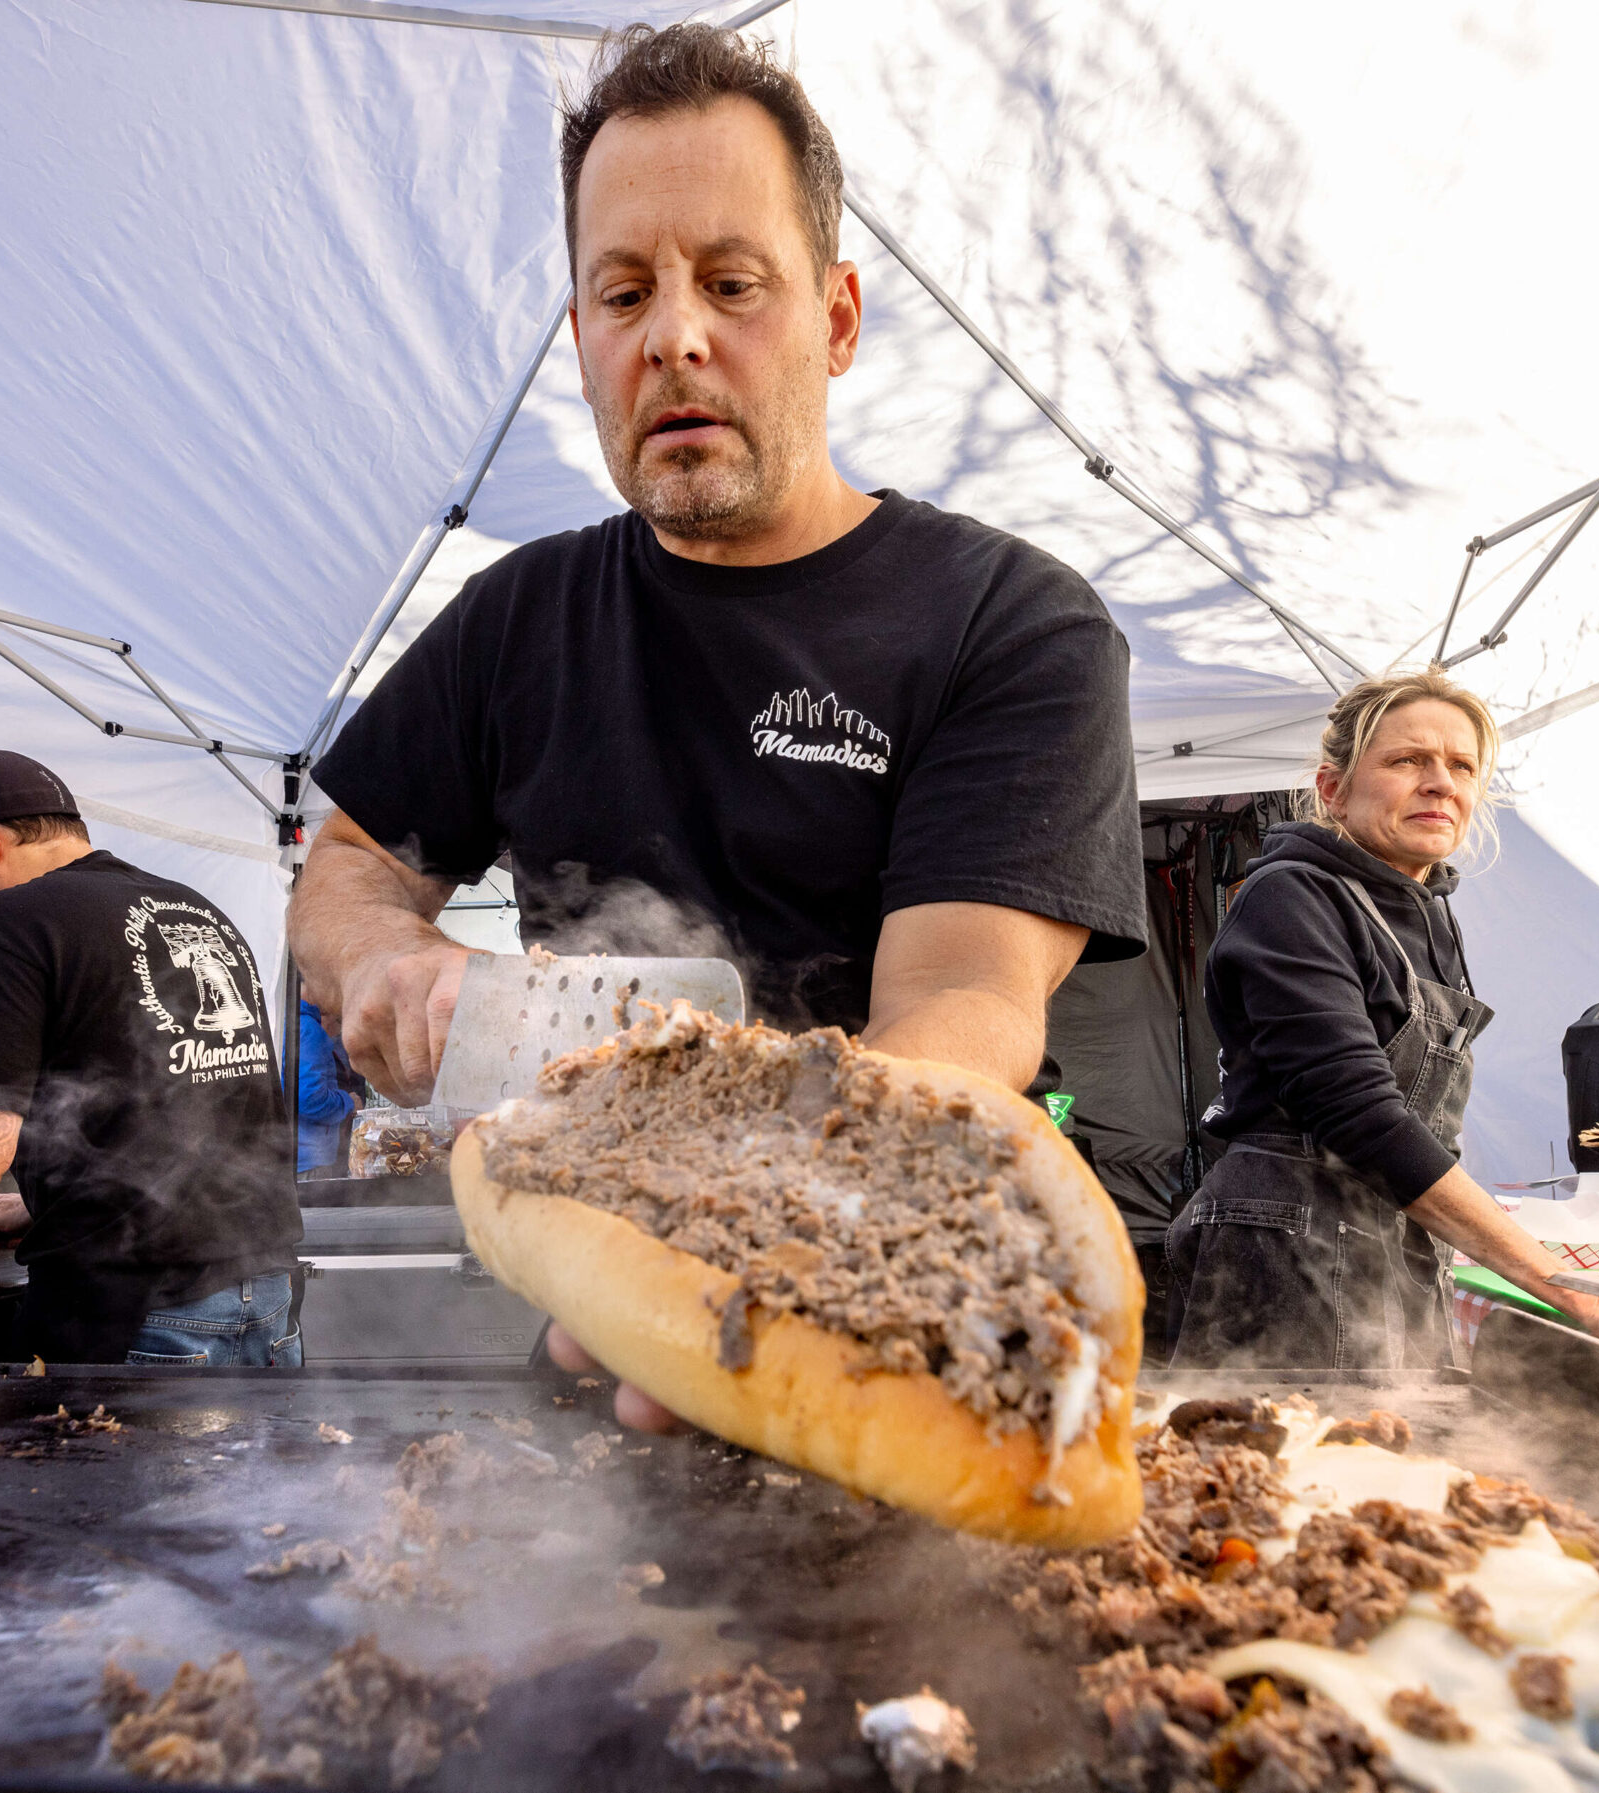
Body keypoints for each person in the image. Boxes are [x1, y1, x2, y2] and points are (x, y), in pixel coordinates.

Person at [289, 25, 1145, 1423]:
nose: (673, 334)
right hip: (600, 1333)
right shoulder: (519, 616)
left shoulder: (1010, 620)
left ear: (839, 319)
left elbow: (963, 1003)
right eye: (623, 293)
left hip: (896, 1321)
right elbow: (347, 865)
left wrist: (749, 1228)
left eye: (731, 283)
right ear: (582, 342)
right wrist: (385, 953)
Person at [1168, 671, 1599, 1368]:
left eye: (1461, 765)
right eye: (1408, 759)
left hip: (1396, 1250)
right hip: (1283, 1257)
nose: (1441, 782)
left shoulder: (1429, 911)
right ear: (1333, 789)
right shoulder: (1289, 898)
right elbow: (1361, 1116)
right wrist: (1554, 1280)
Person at [0, 749, 305, 1366]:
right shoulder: (195, 910)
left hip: (139, 1313)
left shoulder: (4, 924)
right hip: (267, 1301)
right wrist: (49, 1202)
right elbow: (188, 1110)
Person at [294, 1000, 361, 1176]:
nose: (339, 1033)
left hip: (300, 1158)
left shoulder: (288, 1020)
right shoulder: (309, 1030)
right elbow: (310, 1100)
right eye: (340, 1022)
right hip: (310, 1161)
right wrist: (348, 1102)